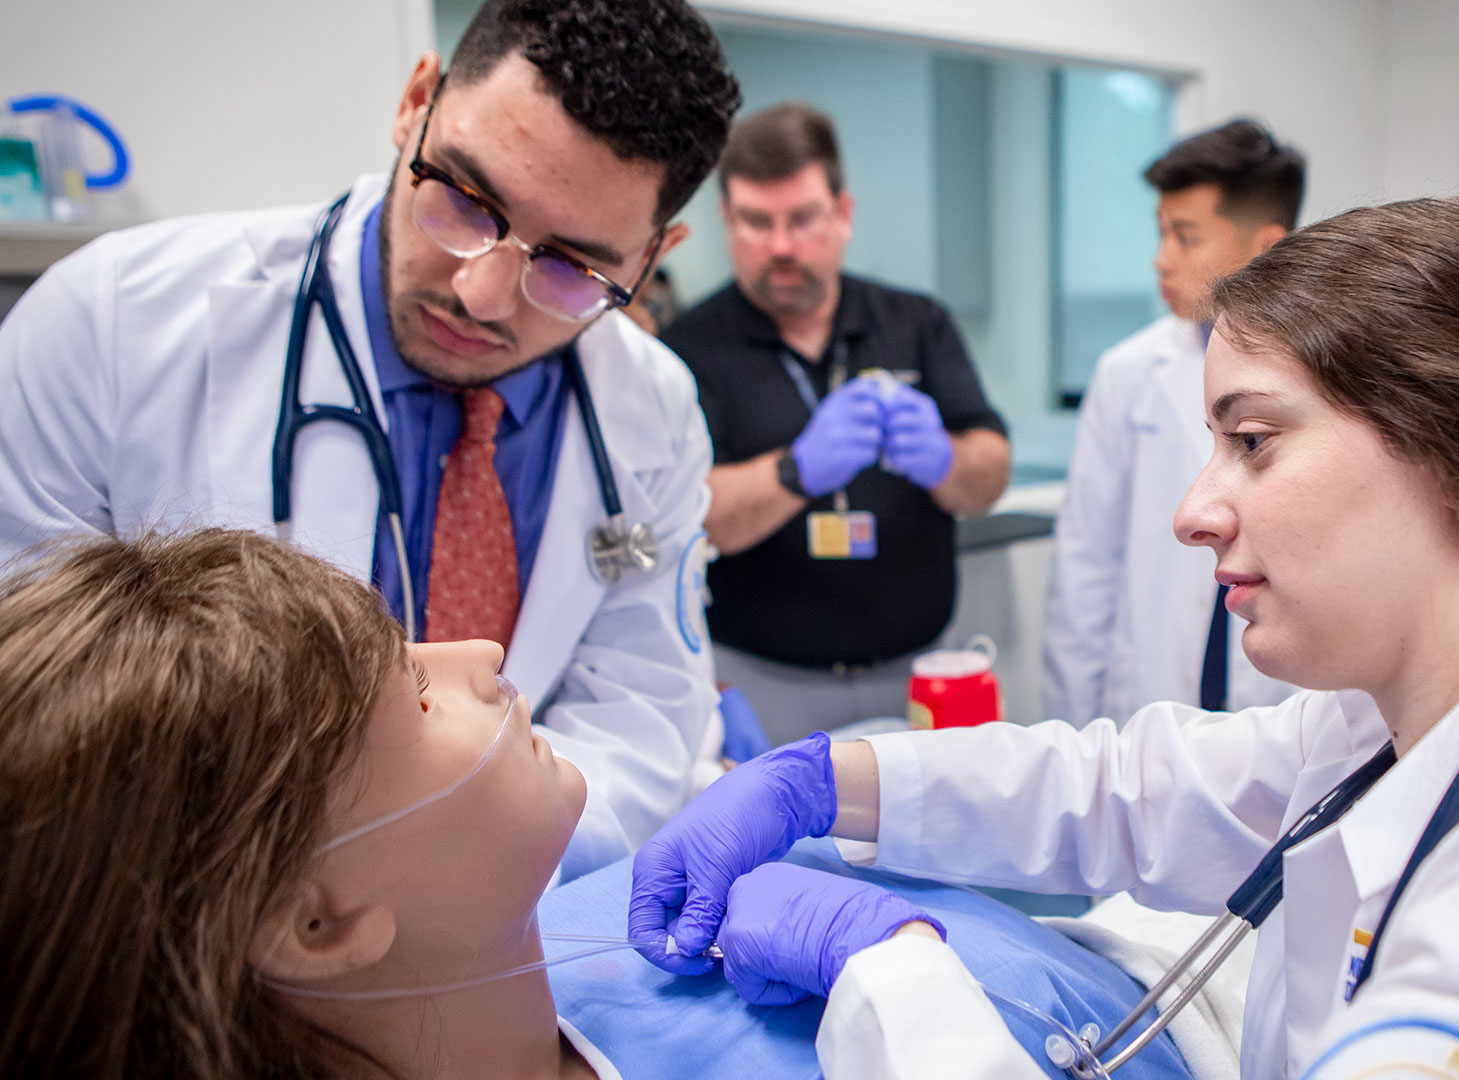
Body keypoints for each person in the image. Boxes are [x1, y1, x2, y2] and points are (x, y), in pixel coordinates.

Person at [631, 195, 1459, 1078]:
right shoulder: (1408, 722)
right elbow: (1130, 790)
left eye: (1253, 438)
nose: (1196, 508)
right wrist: (818, 782)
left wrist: (893, 975)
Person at [0, 528, 1200, 1080]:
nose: (475, 651)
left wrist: (818, 784)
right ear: (316, 923)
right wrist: (904, 983)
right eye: (412, 699)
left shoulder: (600, 908)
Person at [0, 0, 742, 880]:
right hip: (176, 916)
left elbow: (639, 727)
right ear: (415, 100)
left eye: (571, 268)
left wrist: (442, 893)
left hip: (503, 918)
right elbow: (39, 716)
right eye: (467, 200)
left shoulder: (652, 406)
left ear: (652, 257)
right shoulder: (113, 325)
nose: (483, 294)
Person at [660, 102, 1011, 744]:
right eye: (756, 223)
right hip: (761, 684)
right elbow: (687, 518)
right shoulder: (686, 351)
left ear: (843, 213)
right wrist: (795, 471)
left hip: (917, 673)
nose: (782, 245)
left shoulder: (915, 323)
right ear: (726, 220)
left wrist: (946, 461)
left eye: (802, 219)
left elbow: (990, 474)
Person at [1044, 118, 1304, 726]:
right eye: (1162, 234)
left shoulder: (1330, 375)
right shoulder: (1127, 373)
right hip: (1148, 697)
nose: (1161, 261)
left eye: (1186, 238)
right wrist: (1075, 735)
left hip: (1278, 705)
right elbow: (1085, 568)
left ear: (1265, 246)